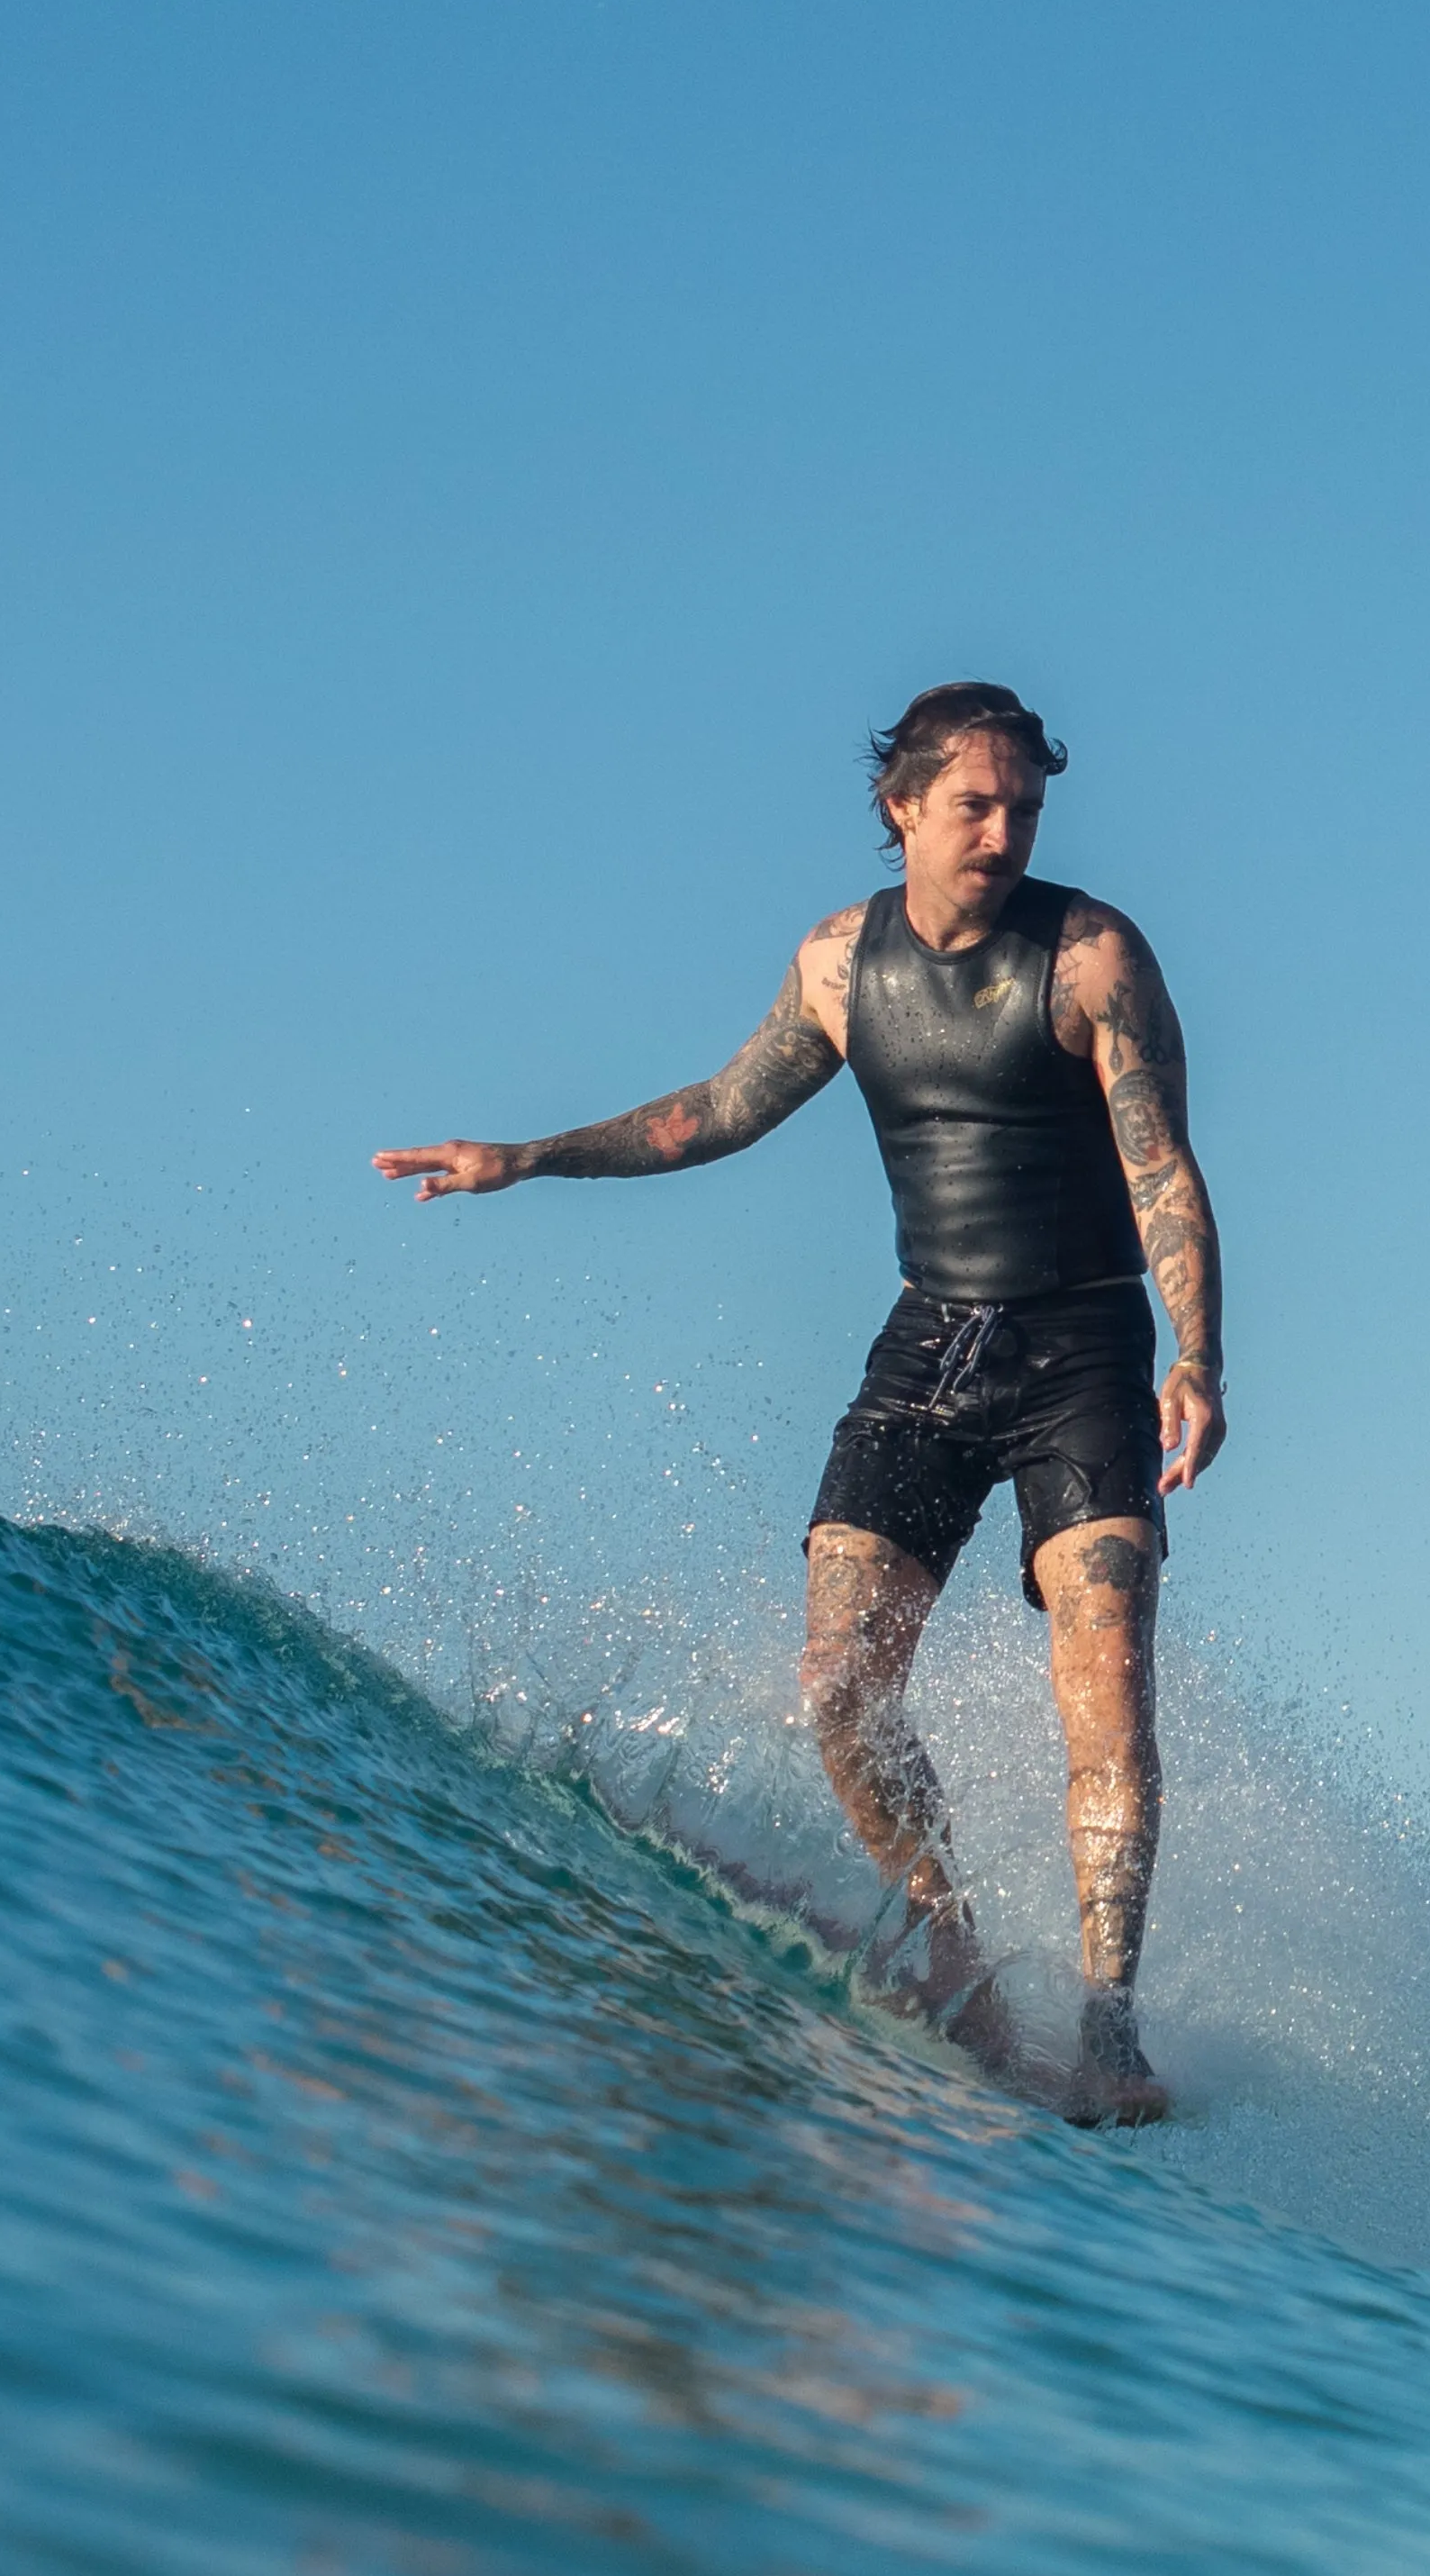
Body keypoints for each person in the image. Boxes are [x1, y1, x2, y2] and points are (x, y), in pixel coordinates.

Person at [372, 682, 1227, 2124]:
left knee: (1106, 1700)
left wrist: (1195, 1353)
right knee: (840, 1689)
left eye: (1026, 806)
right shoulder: (842, 965)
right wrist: (527, 1158)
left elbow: (1162, 1171)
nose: (1005, 831)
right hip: (928, 1348)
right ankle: (961, 1967)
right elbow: (714, 1113)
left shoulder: (1089, 960)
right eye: (977, 803)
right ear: (901, 806)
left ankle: (1109, 2036)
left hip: (1081, 1355)